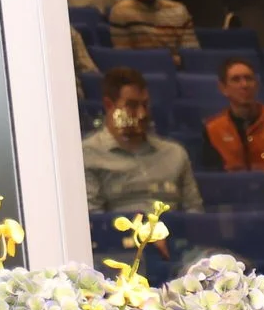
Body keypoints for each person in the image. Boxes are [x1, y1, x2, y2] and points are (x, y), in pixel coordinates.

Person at [82, 67, 201, 214]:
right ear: (109, 105)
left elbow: (194, 212)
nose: (142, 114)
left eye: (145, 105)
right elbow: (93, 220)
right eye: (131, 106)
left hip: (173, 234)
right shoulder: (88, 154)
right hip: (118, 234)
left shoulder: (175, 154)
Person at [203, 60, 264, 194]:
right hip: (231, 200)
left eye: (249, 79)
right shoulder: (212, 129)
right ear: (223, 88)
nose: (244, 85)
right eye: (236, 80)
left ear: (257, 85)